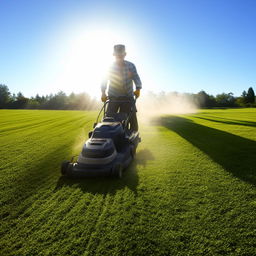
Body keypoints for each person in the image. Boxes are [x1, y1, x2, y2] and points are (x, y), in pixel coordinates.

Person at [101, 44, 142, 131]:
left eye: (121, 55)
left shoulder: (131, 66)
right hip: (113, 97)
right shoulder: (110, 67)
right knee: (108, 119)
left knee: (131, 120)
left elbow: (136, 78)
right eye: (117, 55)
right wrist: (103, 92)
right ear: (114, 55)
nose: (119, 57)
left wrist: (138, 89)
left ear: (124, 54)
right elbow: (104, 80)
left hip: (128, 97)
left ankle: (132, 139)